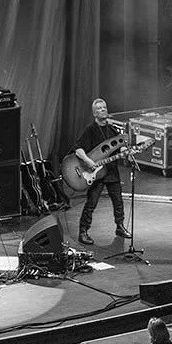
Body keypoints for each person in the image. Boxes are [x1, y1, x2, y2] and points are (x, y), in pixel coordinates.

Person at [73, 98, 131, 246]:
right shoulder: (90, 130)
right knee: (91, 203)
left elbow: (119, 148)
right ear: (94, 113)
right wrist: (89, 162)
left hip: (111, 171)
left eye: (104, 107)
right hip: (96, 174)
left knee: (118, 201)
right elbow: (78, 149)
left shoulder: (113, 130)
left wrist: (126, 151)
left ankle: (119, 227)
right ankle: (83, 231)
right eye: (99, 108)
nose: (103, 109)